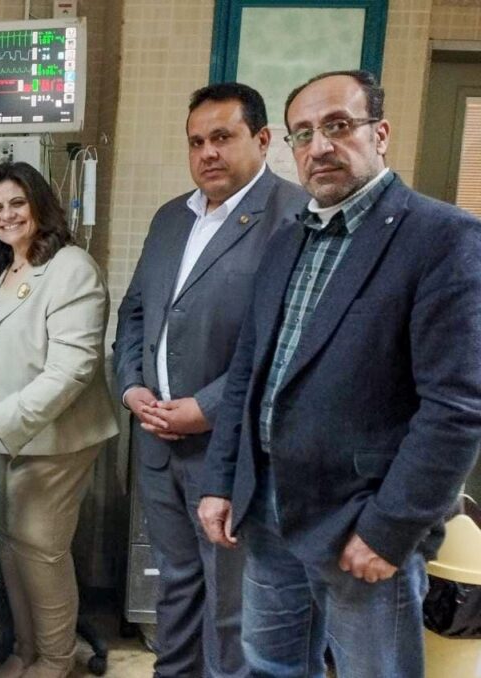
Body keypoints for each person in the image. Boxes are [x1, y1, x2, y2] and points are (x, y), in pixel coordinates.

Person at [197, 70, 481, 678]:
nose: (319, 146)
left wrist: (390, 529)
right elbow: (248, 372)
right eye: (303, 134)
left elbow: (455, 409)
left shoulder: (441, 239)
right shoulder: (289, 240)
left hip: (361, 518)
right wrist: (222, 482)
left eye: (338, 125)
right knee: (269, 665)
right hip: (268, 506)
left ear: (380, 133)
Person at [113, 83, 305, 678]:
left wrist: (208, 408)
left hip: (233, 452)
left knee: (231, 604)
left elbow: (289, 343)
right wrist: (132, 387)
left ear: (263, 139)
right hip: (157, 442)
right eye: (196, 142)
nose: (207, 153)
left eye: (222, 137)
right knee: (175, 584)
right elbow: (136, 312)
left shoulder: (295, 218)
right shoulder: (172, 218)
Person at [0, 162, 118, 678]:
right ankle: (26, 649)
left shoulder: (71, 268)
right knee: (10, 544)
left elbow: (72, 369)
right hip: (13, 435)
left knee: (41, 548)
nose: (7, 215)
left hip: (56, 437)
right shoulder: (14, 267)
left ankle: (55, 659)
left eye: (17, 203)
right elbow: (12, 319)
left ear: (40, 205)